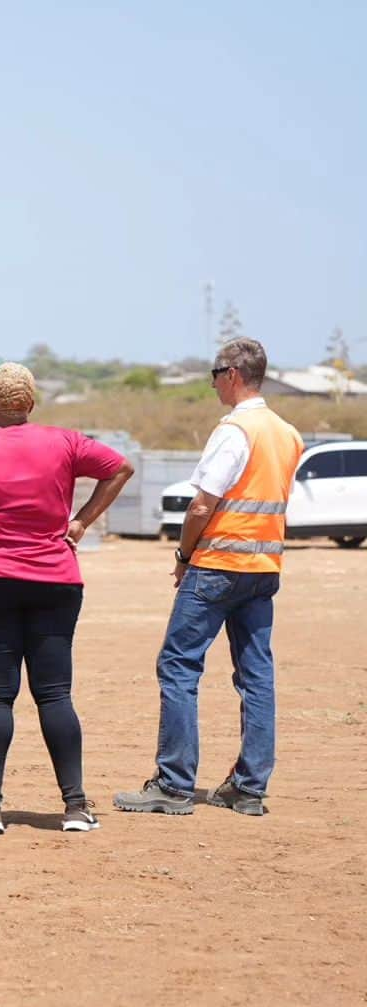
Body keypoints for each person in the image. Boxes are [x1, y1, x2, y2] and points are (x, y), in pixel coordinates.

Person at [0, 362, 133, 834]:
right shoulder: (64, 442)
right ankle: (75, 807)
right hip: (56, 581)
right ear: (31, 404)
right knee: (55, 694)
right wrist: (82, 520)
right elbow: (120, 467)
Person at [114, 338, 303, 817]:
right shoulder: (287, 433)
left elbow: (203, 503)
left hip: (218, 564)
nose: (214, 382)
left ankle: (174, 783)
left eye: (216, 373)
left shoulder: (236, 430)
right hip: (263, 569)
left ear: (233, 375)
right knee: (256, 676)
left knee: (178, 665)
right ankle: (249, 787)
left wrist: (183, 553)